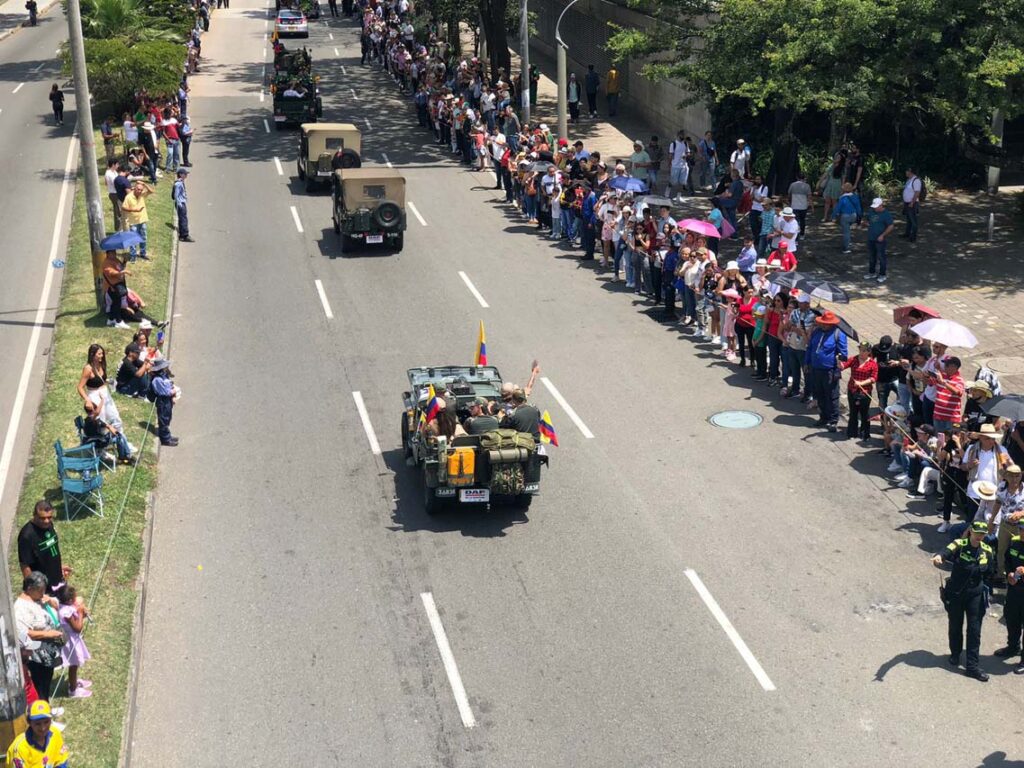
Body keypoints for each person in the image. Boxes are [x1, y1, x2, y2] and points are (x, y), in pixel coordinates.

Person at [932, 520, 994, 681]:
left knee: (974, 631)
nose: (979, 536)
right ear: (971, 531)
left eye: (982, 534)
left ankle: (972, 667)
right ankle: (955, 653)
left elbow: (990, 573)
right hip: (956, 594)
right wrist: (939, 556)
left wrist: (988, 593)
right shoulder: (959, 544)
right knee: (955, 626)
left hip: (975, 595)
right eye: (977, 533)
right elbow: (946, 551)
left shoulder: (987, 550)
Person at [15, 573, 65, 702]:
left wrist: (51, 601)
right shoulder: (20, 608)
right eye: (41, 590)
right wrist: (48, 634)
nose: (43, 593)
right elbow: (23, 633)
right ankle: (43, 714)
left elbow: (57, 607)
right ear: (30, 588)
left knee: (46, 683)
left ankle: (46, 710)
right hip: (36, 656)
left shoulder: (38, 598)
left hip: (48, 652)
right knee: (40, 686)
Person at [805, 310, 848, 431]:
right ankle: (823, 417)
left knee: (832, 396)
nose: (822, 325)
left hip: (830, 370)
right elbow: (810, 348)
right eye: (822, 323)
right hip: (815, 368)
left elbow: (843, 353)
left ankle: (833, 420)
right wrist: (807, 362)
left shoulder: (838, 334)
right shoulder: (816, 332)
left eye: (825, 323)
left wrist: (840, 358)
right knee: (819, 394)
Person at [18, 501, 70, 595]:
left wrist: (59, 567)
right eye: (42, 518)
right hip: (43, 588)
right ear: (34, 515)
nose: (46, 521)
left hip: (58, 579)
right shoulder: (27, 536)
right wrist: (35, 591)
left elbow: (51, 549)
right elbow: (25, 565)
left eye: (49, 517)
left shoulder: (49, 525)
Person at [6, 700, 69, 767]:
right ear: (29, 722)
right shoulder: (20, 748)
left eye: (46, 722)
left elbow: (61, 761)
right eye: (37, 724)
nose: (43, 728)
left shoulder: (55, 734)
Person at [998, 516, 1024, 674]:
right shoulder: (1015, 542)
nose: (1022, 532)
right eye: (1021, 529)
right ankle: (1013, 647)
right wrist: (1008, 574)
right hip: (1015, 590)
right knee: (1011, 618)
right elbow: (1007, 559)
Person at [840, 340, 878, 440]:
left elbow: (873, 378)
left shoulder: (872, 364)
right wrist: (838, 362)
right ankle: (852, 433)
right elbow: (843, 366)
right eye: (860, 350)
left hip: (865, 392)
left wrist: (861, 383)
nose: (861, 352)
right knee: (853, 412)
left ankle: (865, 433)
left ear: (869, 352)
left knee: (864, 413)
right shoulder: (854, 359)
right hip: (852, 390)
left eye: (864, 350)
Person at [863, 197, 894, 283]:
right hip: (871, 237)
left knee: (881, 257)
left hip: (880, 239)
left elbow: (890, 226)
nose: (875, 208)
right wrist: (865, 223)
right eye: (874, 207)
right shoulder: (871, 211)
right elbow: (867, 220)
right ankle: (871, 272)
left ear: (881, 205)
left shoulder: (886, 214)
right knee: (872, 257)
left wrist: (883, 235)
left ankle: (882, 274)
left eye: (876, 207)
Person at [121, 179, 154, 261]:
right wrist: (134, 210)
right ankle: (133, 255)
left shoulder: (142, 195)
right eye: (138, 189)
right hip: (133, 222)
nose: (140, 191)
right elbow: (123, 207)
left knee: (143, 237)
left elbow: (151, 191)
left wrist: (144, 184)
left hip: (142, 220)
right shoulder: (128, 197)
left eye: (141, 190)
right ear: (134, 188)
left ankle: (143, 253)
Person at [149, 358, 178, 446]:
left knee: (168, 417)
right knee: (163, 418)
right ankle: (166, 439)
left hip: (167, 400)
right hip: (163, 401)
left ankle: (167, 435)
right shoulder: (157, 380)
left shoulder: (164, 375)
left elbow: (169, 383)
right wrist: (172, 392)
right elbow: (164, 392)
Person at [787, 172, 812, 237]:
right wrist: (811, 206)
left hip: (794, 205)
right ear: (804, 178)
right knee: (802, 220)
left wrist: (789, 202)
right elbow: (809, 197)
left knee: (796, 221)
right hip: (803, 206)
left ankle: (796, 235)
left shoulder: (792, 185)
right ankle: (802, 234)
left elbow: (789, 194)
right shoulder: (807, 186)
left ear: (797, 177)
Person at [901, 167, 922, 242]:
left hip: (912, 203)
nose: (905, 172)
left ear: (910, 171)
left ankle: (913, 237)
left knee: (913, 221)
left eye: (907, 171)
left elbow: (917, 192)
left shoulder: (916, 180)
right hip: (907, 203)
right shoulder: (909, 180)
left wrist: (912, 202)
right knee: (908, 219)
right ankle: (907, 234)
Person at [173, 168, 193, 242]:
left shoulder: (180, 182)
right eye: (185, 174)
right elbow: (176, 195)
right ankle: (185, 235)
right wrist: (180, 204)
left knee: (182, 218)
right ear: (181, 174)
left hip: (182, 202)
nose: (186, 175)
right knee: (183, 219)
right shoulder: (178, 184)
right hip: (180, 203)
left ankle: (182, 234)